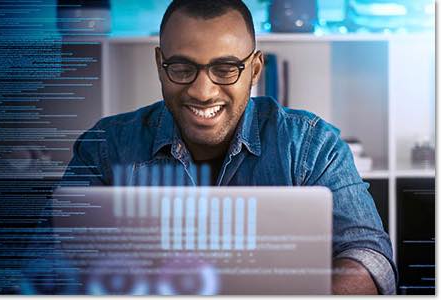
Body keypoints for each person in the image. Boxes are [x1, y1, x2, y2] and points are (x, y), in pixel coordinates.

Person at [62, 0, 397, 295]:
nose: (203, 92)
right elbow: (51, 258)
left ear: (254, 69)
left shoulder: (311, 145)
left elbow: (370, 256)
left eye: (225, 69)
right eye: (182, 68)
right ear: (159, 65)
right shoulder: (104, 146)